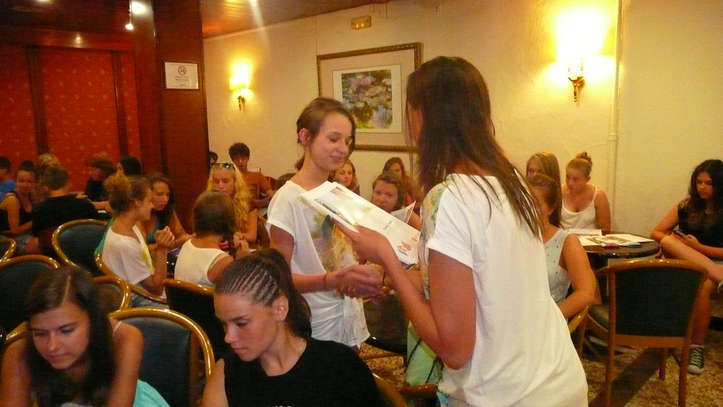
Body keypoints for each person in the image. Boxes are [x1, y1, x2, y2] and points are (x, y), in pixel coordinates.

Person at [338, 57, 587, 406]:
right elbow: (480, 285)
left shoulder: (449, 199)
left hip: (505, 394)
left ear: (424, 115)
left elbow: (453, 349)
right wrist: (396, 273)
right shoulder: (513, 182)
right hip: (558, 378)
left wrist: (387, 257)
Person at [267, 97, 383, 349]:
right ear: (305, 137)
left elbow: (341, 255)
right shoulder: (288, 200)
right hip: (315, 322)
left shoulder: (337, 194)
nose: (343, 149)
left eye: (347, 141)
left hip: (347, 315)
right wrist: (332, 280)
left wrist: (364, 271)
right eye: (333, 139)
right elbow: (278, 277)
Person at [201, 249, 384, 407]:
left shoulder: (338, 368)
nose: (228, 337)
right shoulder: (227, 374)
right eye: (224, 324)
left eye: (241, 323)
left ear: (279, 309)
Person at [0, 266, 168, 407]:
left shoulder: (125, 337)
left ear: (93, 320)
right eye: (40, 333)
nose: (52, 346)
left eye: (66, 331)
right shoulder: (19, 354)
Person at [651, 159, 723, 374]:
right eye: (699, 182)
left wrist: (699, 248)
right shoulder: (686, 205)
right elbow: (656, 232)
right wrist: (680, 244)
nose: (702, 187)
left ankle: (696, 348)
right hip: (687, 262)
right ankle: (720, 277)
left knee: (703, 286)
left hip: (715, 263)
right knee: (667, 241)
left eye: (708, 183)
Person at [528, 174, 598, 317]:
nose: (527, 209)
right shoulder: (513, 236)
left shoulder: (566, 241)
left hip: (549, 320)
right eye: (523, 203)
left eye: (535, 205)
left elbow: (586, 293)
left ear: (550, 209)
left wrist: (550, 319)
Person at [100, 173, 174, 306]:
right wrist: (162, 250)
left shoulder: (131, 226)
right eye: (149, 201)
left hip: (142, 293)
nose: (152, 206)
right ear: (136, 202)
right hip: (139, 302)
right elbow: (156, 289)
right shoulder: (125, 243)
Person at [175, 191, 244, 286]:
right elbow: (239, 290)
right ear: (228, 220)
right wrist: (243, 261)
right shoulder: (223, 261)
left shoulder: (187, 244)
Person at [32, 165, 98, 254]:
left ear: (46, 186)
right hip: (83, 257)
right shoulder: (85, 206)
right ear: (68, 183)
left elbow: (38, 238)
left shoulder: (38, 211)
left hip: (53, 257)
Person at [206, 162, 258, 247]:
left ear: (235, 182)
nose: (220, 186)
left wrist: (235, 237)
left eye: (225, 181)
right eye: (216, 181)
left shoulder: (248, 203)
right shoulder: (207, 203)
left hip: (241, 247)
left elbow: (252, 236)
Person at [560, 152, 611, 233]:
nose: (570, 183)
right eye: (567, 177)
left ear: (587, 179)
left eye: (575, 179)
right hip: (564, 239)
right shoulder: (559, 192)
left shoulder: (598, 196)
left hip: (590, 240)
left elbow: (605, 230)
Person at [139, 173, 190, 249]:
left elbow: (181, 236)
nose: (165, 199)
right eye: (159, 194)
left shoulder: (167, 210)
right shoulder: (138, 213)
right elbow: (139, 249)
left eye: (167, 195)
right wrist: (160, 246)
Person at [0, 161, 37, 253]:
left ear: (34, 183)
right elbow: (15, 231)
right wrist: (36, 220)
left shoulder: (30, 195)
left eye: (29, 181)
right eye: (21, 181)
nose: (25, 185)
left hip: (25, 235)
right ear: (15, 181)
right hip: (8, 240)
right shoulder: (13, 200)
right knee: (39, 244)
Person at [229, 142, 274, 209]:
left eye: (243, 158)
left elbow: (270, 193)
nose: (240, 161)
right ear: (233, 160)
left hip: (254, 210)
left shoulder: (257, 176)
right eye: (237, 158)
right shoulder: (228, 177)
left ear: (248, 158)